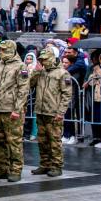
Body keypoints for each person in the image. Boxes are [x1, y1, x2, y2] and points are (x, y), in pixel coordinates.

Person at [0, 40, 29, 182]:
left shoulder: (20, 66)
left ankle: (16, 169)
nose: (0, 52)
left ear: (12, 50)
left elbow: (23, 89)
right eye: (0, 50)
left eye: (4, 50)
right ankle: (2, 168)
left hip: (11, 110)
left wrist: (17, 109)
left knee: (14, 141)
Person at [30, 49, 73, 177]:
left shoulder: (62, 73)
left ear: (52, 59)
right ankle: (45, 164)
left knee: (54, 141)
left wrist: (61, 112)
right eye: (41, 60)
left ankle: (57, 166)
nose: (43, 62)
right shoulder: (41, 72)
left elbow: (67, 94)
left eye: (45, 59)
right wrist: (36, 71)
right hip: (41, 111)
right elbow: (30, 84)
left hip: (53, 112)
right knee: (42, 140)